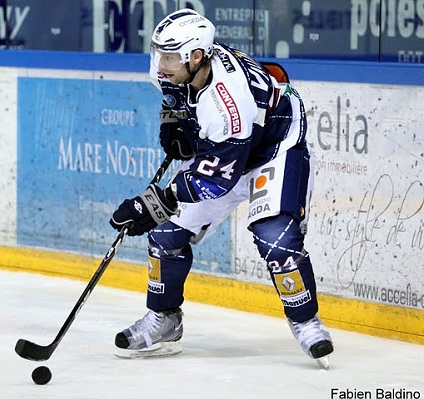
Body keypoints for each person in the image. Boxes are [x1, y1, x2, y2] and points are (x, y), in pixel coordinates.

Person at [109, 9, 334, 366]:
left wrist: (154, 203)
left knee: (276, 238)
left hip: (273, 147)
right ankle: (165, 320)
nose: (160, 64)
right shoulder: (177, 65)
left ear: (196, 56)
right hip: (230, 148)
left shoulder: (229, 102)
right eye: (158, 53)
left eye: (169, 57)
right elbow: (172, 93)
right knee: (166, 236)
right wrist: (173, 120)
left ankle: (306, 322)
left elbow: (214, 181)